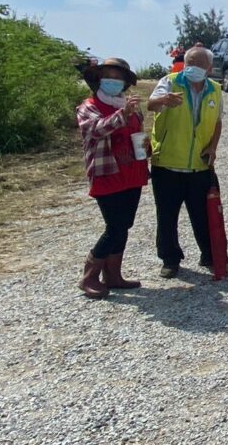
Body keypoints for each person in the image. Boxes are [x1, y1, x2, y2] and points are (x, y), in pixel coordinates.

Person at [148, 45, 228, 278]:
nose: (192, 67)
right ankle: (170, 259)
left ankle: (210, 255)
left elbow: (218, 123)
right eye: (189, 62)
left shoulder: (215, 89)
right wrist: (164, 99)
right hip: (168, 162)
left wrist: (213, 147)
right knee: (167, 215)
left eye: (198, 64)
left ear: (209, 68)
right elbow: (151, 104)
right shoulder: (171, 81)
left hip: (199, 165)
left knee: (203, 213)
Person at [75, 58, 148, 297]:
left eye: (119, 78)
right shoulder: (89, 106)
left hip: (131, 173)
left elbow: (136, 132)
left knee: (124, 225)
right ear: (98, 79)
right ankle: (89, 276)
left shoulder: (130, 105)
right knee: (114, 227)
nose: (114, 81)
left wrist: (146, 146)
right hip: (107, 174)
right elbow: (96, 129)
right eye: (109, 76)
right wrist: (122, 115)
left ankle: (113, 275)